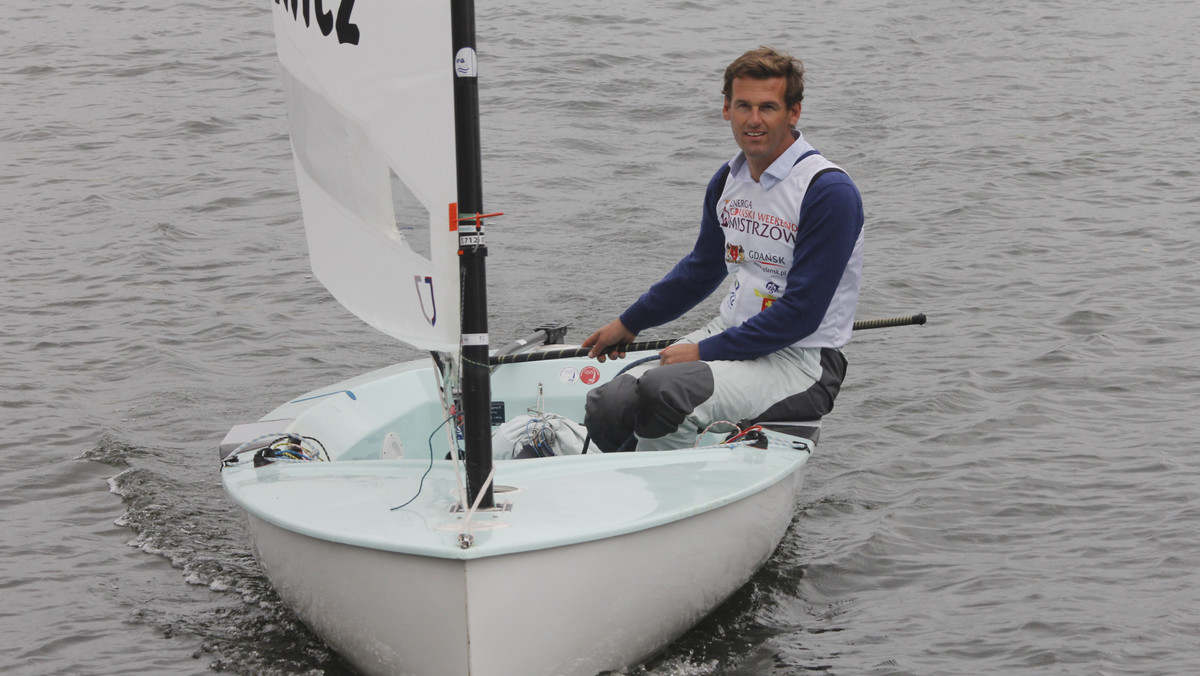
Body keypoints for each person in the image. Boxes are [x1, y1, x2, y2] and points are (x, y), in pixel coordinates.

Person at [581, 47, 864, 452]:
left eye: (768, 107)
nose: (754, 119)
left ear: (794, 112)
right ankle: (617, 487)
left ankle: (658, 501)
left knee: (666, 392)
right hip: (732, 335)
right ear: (726, 109)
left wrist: (702, 351)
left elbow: (802, 314)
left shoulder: (828, 192)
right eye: (743, 105)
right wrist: (628, 323)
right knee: (611, 402)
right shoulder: (729, 179)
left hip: (802, 361)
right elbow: (700, 270)